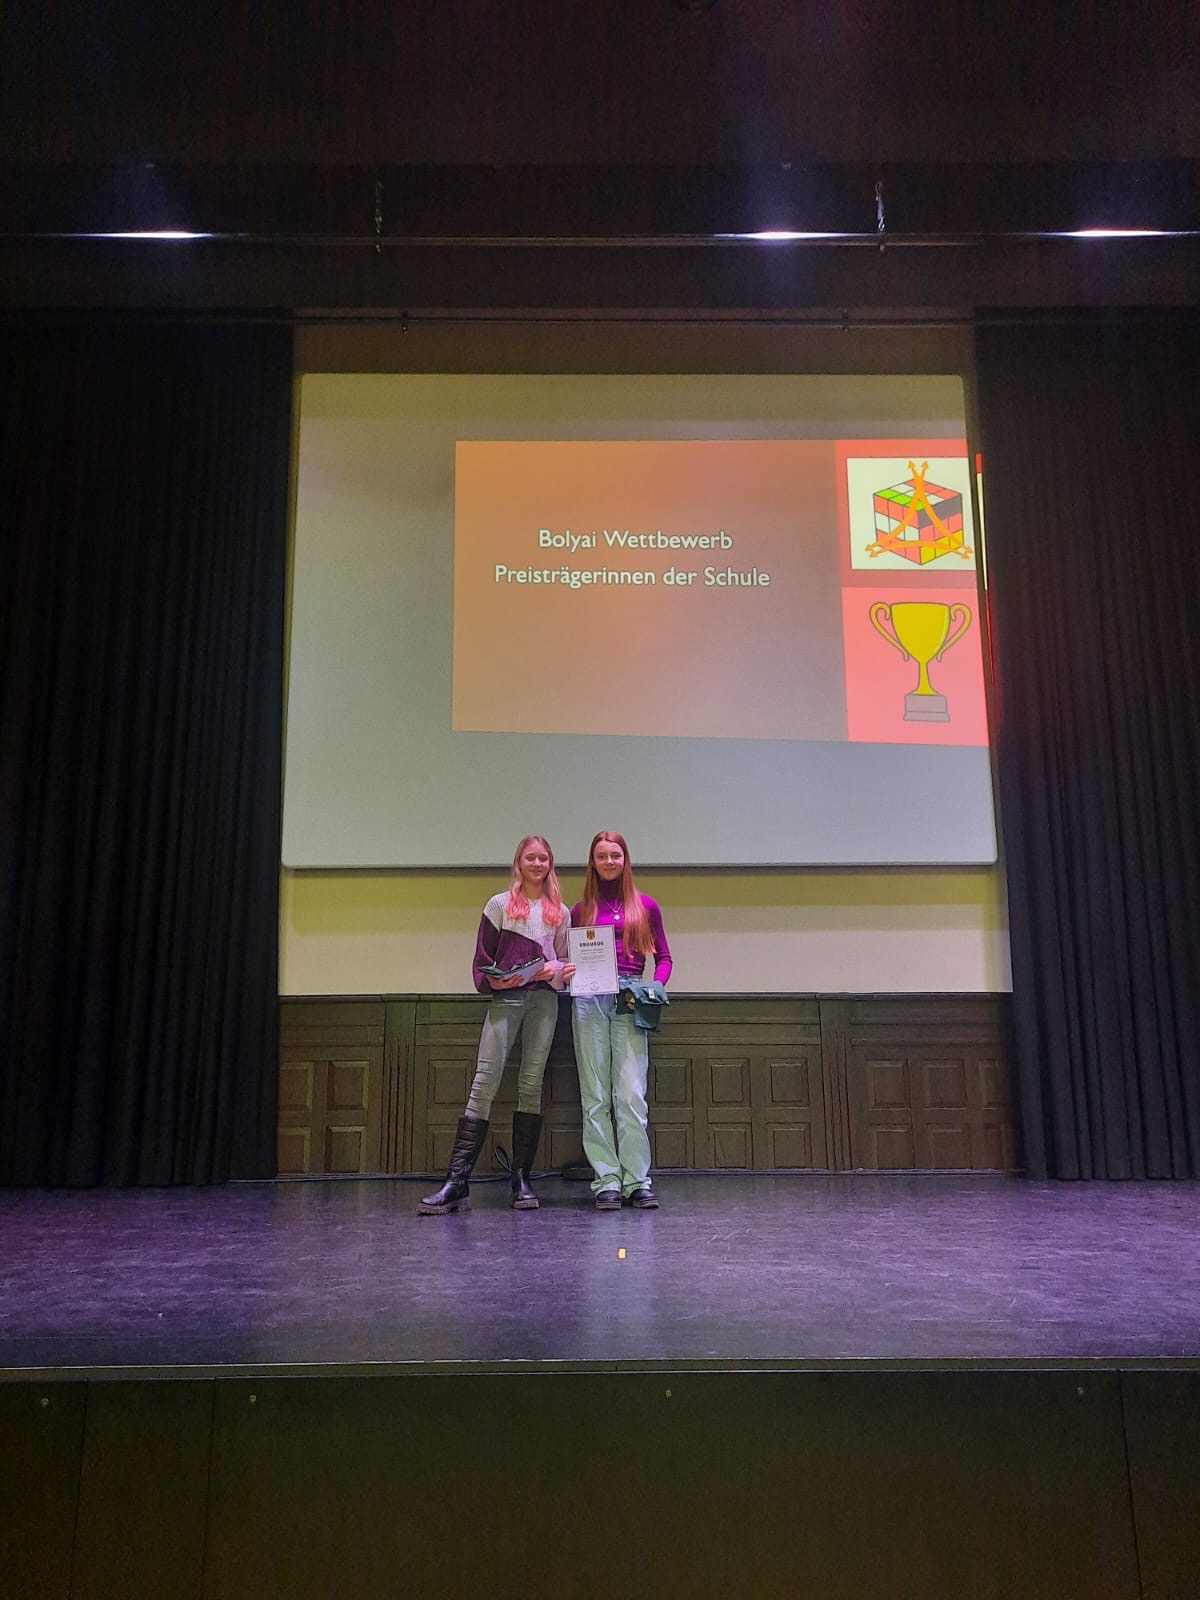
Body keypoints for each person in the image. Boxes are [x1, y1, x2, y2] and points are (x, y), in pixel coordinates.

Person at [418, 836, 575, 1215]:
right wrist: (501, 980)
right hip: (506, 1002)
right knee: (484, 1083)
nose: (537, 864)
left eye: (543, 858)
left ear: (550, 864)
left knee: (531, 1085)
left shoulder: (561, 912)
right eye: (530, 858)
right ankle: (457, 1182)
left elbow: (565, 962)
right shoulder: (499, 905)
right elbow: (482, 961)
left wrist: (558, 971)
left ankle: (521, 1180)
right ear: (519, 863)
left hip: (544, 1003)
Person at [571, 830, 672, 1211]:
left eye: (616, 855)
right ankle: (606, 1180)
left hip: (630, 999)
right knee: (595, 1094)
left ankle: (636, 1181)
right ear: (593, 862)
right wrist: (568, 970)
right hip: (589, 1001)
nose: (609, 862)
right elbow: (570, 959)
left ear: (625, 860)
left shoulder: (646, 906)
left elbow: (664, 958)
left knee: (630, 1093)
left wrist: (654, 988)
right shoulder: (580, 910)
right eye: (602, 856)